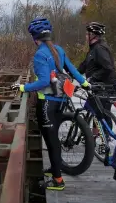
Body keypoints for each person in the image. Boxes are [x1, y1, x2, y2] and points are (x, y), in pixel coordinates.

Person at [10, 17, 90, 191]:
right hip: (62, 101)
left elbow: (44, 81)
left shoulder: (40, 54)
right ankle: (55, 169)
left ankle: (58, 180)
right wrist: (84, 83)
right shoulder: (58, 49)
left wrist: (23, 87)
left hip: (47, 104)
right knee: (53, 140)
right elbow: (72, 70)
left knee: (52, 141)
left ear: (34, 37)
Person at [78, 21, 116, 132]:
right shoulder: (93, 49)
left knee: (102, 114)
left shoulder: (100, 49)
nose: (86, 36)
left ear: (93, 35)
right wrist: (71, 74)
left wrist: (92, 78)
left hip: (106, 86)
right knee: (94, 111)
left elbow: (108, 68)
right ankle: (94, 137)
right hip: (98, 86)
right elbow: (84, 65)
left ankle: (105, 138)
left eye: (87, 34)